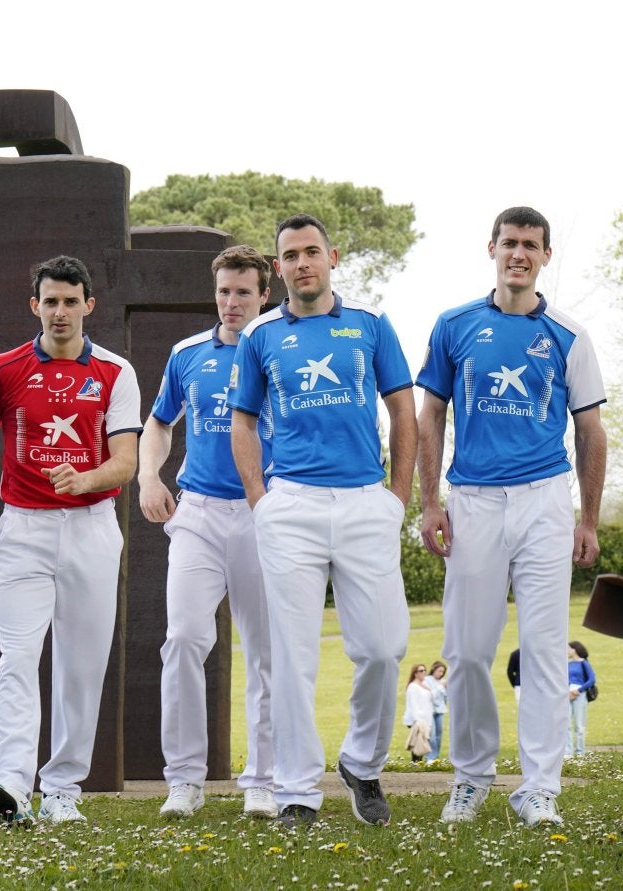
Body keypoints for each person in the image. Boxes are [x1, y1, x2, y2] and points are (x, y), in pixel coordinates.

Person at [416, 206, 607, 827]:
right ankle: (471, 778)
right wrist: (429, 502)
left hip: (545, 500)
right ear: (491, 248)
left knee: (546, 649)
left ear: (546, 255)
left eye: (531, 244)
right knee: (467, 651)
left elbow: (590, 430)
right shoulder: (454, 326)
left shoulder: (569, 336)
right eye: (509, 243)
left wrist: (589, 520)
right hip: (472, 501)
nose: (518, 253)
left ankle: (540, 788)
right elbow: (430, 416)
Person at [230, 213, 417, 830]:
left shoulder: (370, 325)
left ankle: (362, 762)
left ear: (332, 257)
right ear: (277, 267)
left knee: (385, 648)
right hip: (292, 507)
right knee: (292, 655)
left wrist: (397, 496)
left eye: (312, 252)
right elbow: (244, 423)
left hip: (366, 502)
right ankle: (296, 791)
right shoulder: (259, 334)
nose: (302, 263)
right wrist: (261, 501)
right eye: (290, 255)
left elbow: (402, 408)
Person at [0, 256, 141, 826]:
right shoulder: (3, 368)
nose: (60, 311)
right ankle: (11, 786)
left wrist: (85, 479)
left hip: (92, 527)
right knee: (17, 657)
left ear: (89, 305)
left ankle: (62, 788)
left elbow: (126, 462)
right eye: (50, 301)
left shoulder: (116, 372)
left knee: (81, 664)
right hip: (23, 528)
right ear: (34, 305)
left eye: (71, 301)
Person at [139, 245, 277, 820]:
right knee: (185, 640)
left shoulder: (281, 351)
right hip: (195, 514)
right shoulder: (187, 353)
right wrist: (149, 476)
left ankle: (264, 781)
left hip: (264, 513)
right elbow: (158, 423)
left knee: (268, 653)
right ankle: (185, 781)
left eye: (243, 291)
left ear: (264, 295)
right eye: (223, 290)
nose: (231, 302)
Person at [566, 642, 596, 757]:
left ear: (574, 650)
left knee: (579, 725)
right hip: (567, 695)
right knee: (566, 724)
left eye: (569, 649)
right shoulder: (568, 664)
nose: (567, 651)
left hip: (580, 695)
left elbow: (591, 679)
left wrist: (578, 691)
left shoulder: (584, 663)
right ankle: (567, 752)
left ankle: (579, 752)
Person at [403, 664, 434, 762]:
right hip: (417, 719)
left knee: (423, 741)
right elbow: (413, 704)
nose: (423, 672)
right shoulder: (412, 687)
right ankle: (415, 763)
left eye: (424, 670)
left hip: (426, 717)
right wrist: (418, 720)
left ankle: (419, 762)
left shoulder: (425, 684)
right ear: (415, 673)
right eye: (421, 670)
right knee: (417, 742)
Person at [424, 660, 449, 762]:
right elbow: (430, 695)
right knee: (432, 735)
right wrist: (440, 687)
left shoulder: (444, 681)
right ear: (434, 670)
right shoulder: (427, 680)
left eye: (443, 672)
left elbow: (446, 697)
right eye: (439, 671)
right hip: (429, 711)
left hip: (440, 710)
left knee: (439, 735)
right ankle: (430, 757)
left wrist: (446, 688)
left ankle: (435, 756)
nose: (441, 673)